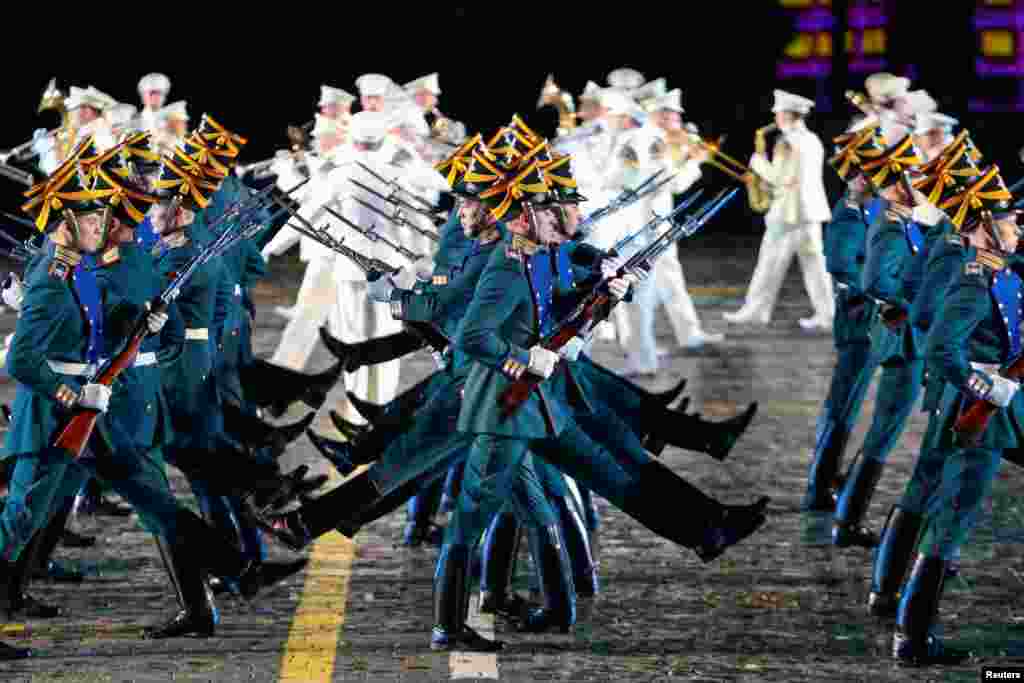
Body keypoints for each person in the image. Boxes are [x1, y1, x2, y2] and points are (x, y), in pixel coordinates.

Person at [723, 89, 833, 329]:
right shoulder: (811, 139)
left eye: (779, 113)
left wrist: (757, 163)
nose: (776, 118)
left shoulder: (788, 142)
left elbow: (781, 177)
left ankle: (756, 311)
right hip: (809, 211)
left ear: (788, 115)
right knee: (814, 266)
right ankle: (828, 314)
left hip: (789, 213)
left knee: (769, 263)